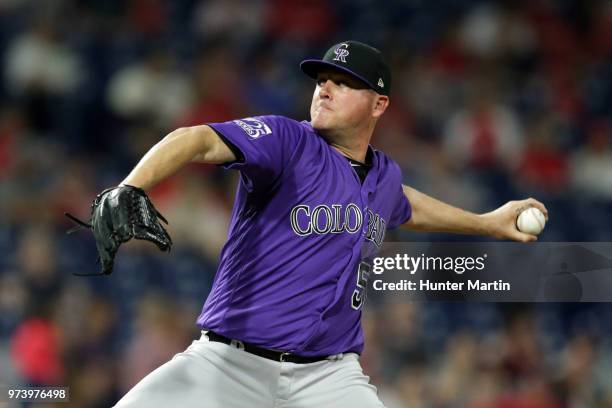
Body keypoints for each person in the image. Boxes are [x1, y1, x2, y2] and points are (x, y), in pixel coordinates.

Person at [112, 41, 548, 407]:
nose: (325, 89)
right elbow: (197, 139)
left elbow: (405, 204)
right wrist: (131, 187)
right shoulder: (287, 142)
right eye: (322, 80)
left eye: (343, 83)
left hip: (329, 378)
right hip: (229, 364)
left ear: (379, 104)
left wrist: (486, 224)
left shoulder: (384, 176)